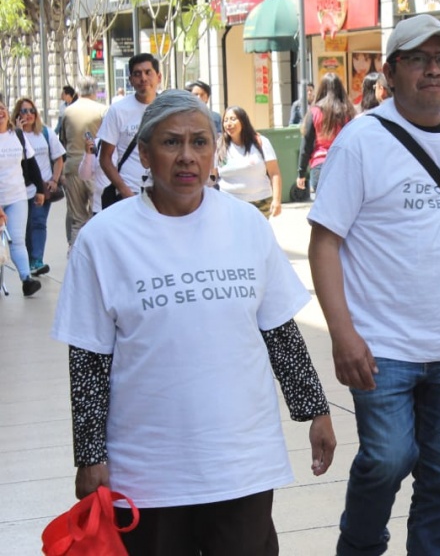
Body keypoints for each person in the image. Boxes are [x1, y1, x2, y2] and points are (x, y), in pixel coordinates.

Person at [51, 89, 336, 555]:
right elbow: (88, 357)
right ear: (143, 153)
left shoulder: (246, 226)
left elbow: (279, 331)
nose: (187, 157)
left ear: (214, 150)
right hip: (147, 473)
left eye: (200, 142)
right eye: (171, 143)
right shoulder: (104, 240)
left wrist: (314, 410)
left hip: (241, 463)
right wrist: (90, 456)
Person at [307, 13, 440, 556]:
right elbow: (324, 242)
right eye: (419, 59)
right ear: (391, 72)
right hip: (383, 348)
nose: (433, 71)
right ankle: (360, 547)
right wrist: (342, 334)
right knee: (388, 460)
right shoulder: (361, 142)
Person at [12, 97, 66, 276]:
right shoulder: (12, 135)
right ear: (17, 114)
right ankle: (27, 260)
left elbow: (58, 158)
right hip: (20, 189)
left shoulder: (45, 133)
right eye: (24, 111)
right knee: (24, 227)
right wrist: (18, 132)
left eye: (32, 111)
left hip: (42, 187)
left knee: (38, 223)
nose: (29, 115)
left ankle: (37, 259)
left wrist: (54, 180)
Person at [98, 53, 162, 203]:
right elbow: (105, 158)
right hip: (130, 191)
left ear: (158, 77)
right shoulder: (118, 110)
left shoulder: (170, 108)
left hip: (163, 192)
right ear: (131, 80)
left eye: (148, 72)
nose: (143, 78)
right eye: (137, 74)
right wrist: (124, 191)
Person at [0, 98, 44, 296]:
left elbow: (31, 163)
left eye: (2, 108)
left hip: (17, 196)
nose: (0, 112)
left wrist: (41, 189)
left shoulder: (16, 134)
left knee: (17, 239)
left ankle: (27, 279)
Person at [58, 76, 107, 248]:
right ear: (95, 90)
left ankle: (75, 253)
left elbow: (62, 140)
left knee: (77, 218)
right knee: (98, 214)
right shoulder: (103, 110)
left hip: (73, 166)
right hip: (97, 168)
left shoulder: (68, 112)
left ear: (77, 90)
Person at [216, 105, 283, 218]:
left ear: (243, 121)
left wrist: (276, 201)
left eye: (233, 119)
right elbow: (212, 175)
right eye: (225, 120)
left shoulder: (260, 142)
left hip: (260, 202)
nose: (228, 124)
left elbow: (274, 173)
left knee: (256, 235)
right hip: (229, 202)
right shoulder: (219, 145)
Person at [296, 72, 354, 194]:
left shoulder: (314, 112)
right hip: (344, 165)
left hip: (320, 165)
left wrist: (301, 172)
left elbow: (306, 144)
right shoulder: (348, 112)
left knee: (323, 209)